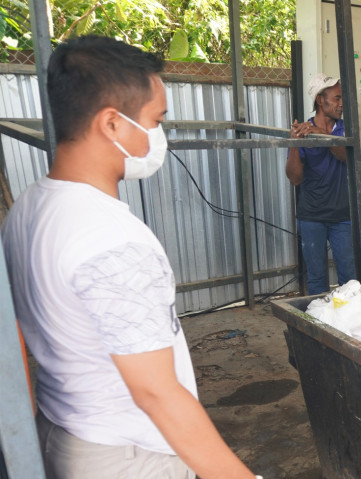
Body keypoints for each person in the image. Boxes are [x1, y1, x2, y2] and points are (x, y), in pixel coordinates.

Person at [1, 36, 260, 479]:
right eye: (155, 120)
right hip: (127, 455)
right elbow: (156, 392)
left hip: (64, 429)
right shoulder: (112, 240)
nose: (158, 135)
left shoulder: (29, 206)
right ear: (112, 124)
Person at [286, 73, 356, 294]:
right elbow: (295, 178)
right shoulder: (304, 132)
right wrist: (295, 144)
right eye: (337, 98)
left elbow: (347, 156)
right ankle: (321, 325)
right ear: (320, 100)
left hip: (343, 216)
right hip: (312, 216)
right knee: (316, 280)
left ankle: (347, 326)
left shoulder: (345, 129)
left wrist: (322, 136)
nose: (341, 103)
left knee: (349, 279)